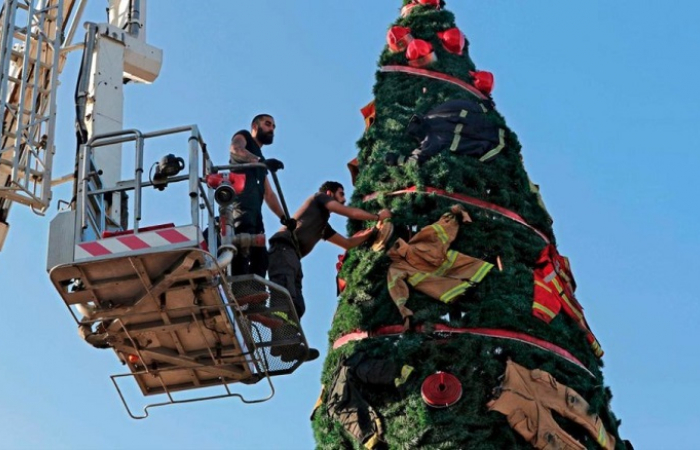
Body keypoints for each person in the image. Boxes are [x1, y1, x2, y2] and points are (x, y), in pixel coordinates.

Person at [267, 181, 392, 362]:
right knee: (284, 295)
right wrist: (377, 216)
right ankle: (282, 342)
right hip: (283, 250)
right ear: (329, 193)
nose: (344, 198)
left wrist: (372, 233)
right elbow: (349, 212)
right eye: (341, 194)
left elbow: (347, 243)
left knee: (297, 304)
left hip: (292, 256)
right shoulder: (319, 198)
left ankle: (286, 346)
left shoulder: (322, 225)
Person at [229, 114, 290, 277]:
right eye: (268, 124)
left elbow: (269, 194)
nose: (271, 129)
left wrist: (284, 218)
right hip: (241, 210)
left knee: (261, 259)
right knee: (242, 249)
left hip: (256, 217)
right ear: (255, 127)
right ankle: (239, 290)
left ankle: (255, 296)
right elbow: (236, 149)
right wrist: (259, 161)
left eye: (273, 127)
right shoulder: (244, 136)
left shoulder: (261, 161)